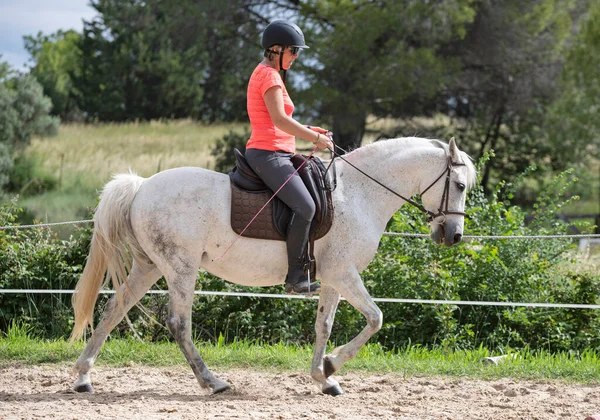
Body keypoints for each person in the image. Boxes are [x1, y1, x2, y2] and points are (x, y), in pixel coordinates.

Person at [245, 20, 333, 294]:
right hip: (268, 154)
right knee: (305, 207)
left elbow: (281, 122)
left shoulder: (270, 73)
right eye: (294, 50)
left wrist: (308, 130)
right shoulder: (269, 76)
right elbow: (280, 120)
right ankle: (295, 277)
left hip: (279, 151)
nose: (296, 56)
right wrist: (314, 139)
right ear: (276, 49)